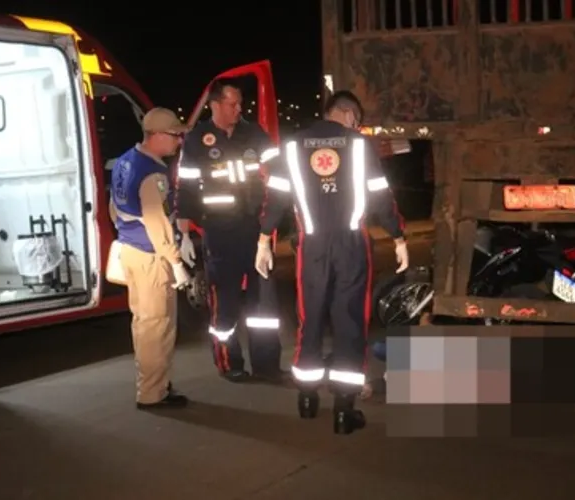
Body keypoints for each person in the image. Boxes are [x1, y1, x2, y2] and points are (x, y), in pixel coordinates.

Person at [254, 90, 409, 435]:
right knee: (349, 321)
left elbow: (275, 198)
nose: (357, 125)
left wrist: (264, 240)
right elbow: (381, 197)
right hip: (352, 245)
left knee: (309, 318)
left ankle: (307, 399)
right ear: (349, 115)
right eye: (357, 120)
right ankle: (343, 410)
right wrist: (398, 237)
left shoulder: (292, 146)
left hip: (311, 246)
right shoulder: (360, 145)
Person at [174, 78, 285, 384]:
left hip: (255, 230)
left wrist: (275, 212)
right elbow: (185, 189)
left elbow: (279, 169)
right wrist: (184, 234)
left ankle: (267, 363)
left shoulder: (253, 133)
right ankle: (229, 362)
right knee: (224, 302)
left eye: (240, 103)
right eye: (232, 104)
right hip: (219, 232)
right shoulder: (197, 139)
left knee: (264, 304)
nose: (239, 109)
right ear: (215, 104)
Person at [110, 107, 193, 410]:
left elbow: (114, 208)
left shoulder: (124, 161)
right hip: (151, 257)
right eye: (175, 135)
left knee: (144, 324)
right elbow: (157, 222)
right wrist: (176, 261)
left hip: (131, 250)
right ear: (156, 135)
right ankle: (153, 393)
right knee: (157, 328)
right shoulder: (153, 174)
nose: (179, 141)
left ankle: (152, 386)